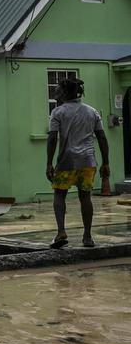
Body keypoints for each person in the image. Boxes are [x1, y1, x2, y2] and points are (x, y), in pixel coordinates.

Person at [46, 77, 109, 248]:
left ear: (65, 93)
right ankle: (87, 236)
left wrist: (49, 163)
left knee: (59, 194)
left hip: (66, 161)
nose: (55, 94)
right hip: (88, 161)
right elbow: (102, 137)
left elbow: (52, 138)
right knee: (85, 197)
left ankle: (61, 232)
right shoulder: (92, 111)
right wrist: (106, 162)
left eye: (58, 91)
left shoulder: (57, 112)